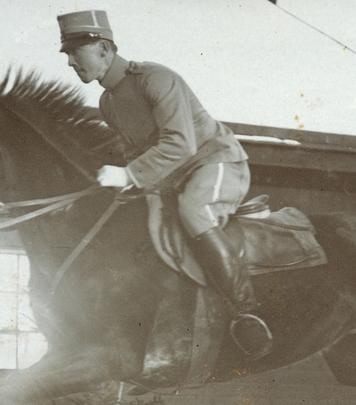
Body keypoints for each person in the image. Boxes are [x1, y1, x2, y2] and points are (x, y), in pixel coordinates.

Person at [57, 9, 274, 362]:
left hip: (216, 162)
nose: (69, 61)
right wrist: (126, 183)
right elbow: (135, 153)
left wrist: (129, 175)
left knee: (194, 210)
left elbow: (181, 144)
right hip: (173, 177)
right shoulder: (108, 102)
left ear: (103, 48)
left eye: (74, 51)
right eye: (66, 53)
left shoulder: (155, 79)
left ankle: (246, 311)